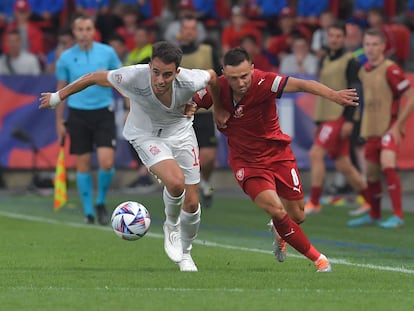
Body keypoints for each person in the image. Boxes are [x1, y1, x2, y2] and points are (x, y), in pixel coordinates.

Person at [39, 41, 221, 272]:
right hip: (146, 136)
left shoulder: (190, 80)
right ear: (149, 66)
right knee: (176, 184)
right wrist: (58, 97)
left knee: (193, 203)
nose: (160, 80)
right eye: (155, 72)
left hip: (181, 133)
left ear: (177, 72)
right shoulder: (133, 76)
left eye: (167, 74)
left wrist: (217, 108)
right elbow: (94, 77)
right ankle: (171, 226)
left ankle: (185, 253)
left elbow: (214, 77)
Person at [195, 47, 359, 271]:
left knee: (298, 215)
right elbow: (190, 102)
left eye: (245, 76)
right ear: (224, 73)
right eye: (234, 78)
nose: (241, 82)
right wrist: (190, 108)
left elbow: (302, 84)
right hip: (247, 163)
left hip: (278, 155)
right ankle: (319, 260)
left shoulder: (265, 82)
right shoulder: (219, 88)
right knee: (277, 209)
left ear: (252, 69)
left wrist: (335, 96)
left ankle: (279, 230)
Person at [50, 16, 122, 225]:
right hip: (78, 114)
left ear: (93, 31)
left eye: (88, 29)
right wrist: (59, 122)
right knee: (82, 164)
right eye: (80, 29)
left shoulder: (107, 52)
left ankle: (100, 202)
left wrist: (129, 105)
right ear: (74, 32)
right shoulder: (65, 58)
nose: (84, 33)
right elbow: (60, 91)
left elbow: (120, 80)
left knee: (106, 162)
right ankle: (89, 212)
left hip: (103, 112)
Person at [347, 28, 414, 229]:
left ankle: (398, 215)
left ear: (383, 46)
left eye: (375, 44)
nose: (371, 48)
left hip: (388, 127)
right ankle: (374, 214)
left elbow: (410, 96)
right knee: (373, 175)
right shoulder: (363, 71)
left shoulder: (391, 69)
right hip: (370, 130)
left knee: (388, 165)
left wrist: (398, 125)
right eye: (367, 44)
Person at [304, 21, 370, 215]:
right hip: (326, 116)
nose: (334, 39)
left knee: (315, 154)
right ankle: (370, 203)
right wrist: (318, 121)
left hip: (339, 116)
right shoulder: (324, 59)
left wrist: (350, 119)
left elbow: (356, 90)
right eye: (331, 36)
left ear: (344, 38)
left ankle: (315, 201)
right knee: (343, 164)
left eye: (338, 36)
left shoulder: (351, 61)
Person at [176, 14, 221, 208]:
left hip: (204, 112)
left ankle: (206, 183)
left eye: (193, 29)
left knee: (209, 156)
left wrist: (220, 105)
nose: (189, 32)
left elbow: (219, 78)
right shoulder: (174, 53)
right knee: (182, 157)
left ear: (197, 32)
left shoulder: (208, 51)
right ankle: (188, 190)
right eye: (186, 28)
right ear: (181, 30)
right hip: (180, 113)